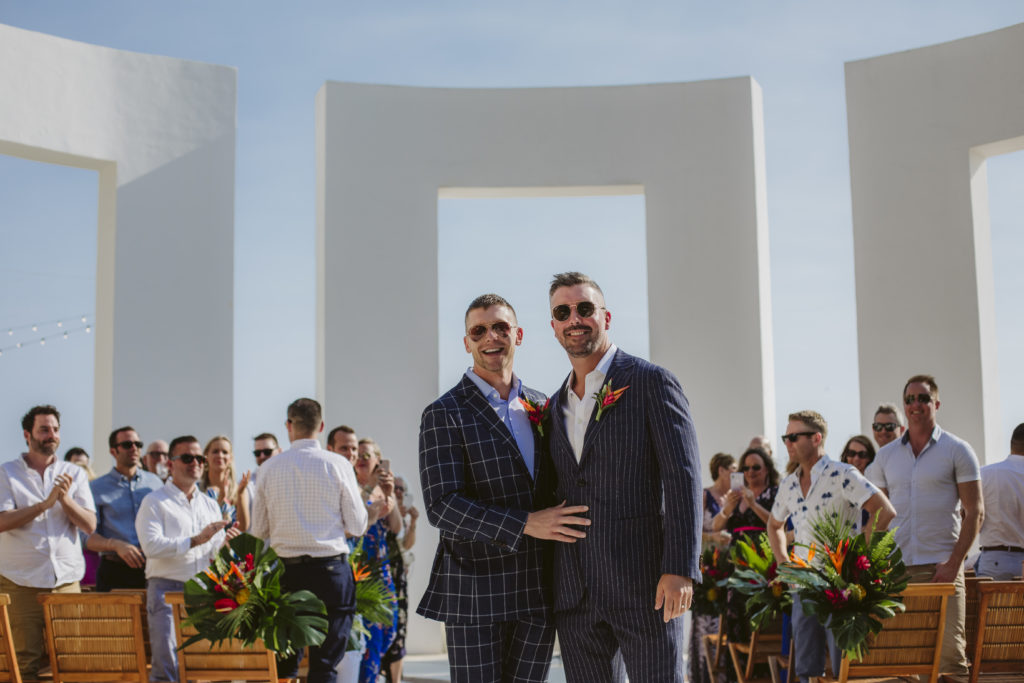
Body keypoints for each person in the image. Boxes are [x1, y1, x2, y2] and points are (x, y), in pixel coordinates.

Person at [419, 293, 586, 683]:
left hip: (538, 590)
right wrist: (526, 523)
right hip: (474, 591)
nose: (490, 337)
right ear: (467, 343)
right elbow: (442, 506)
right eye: (479, 330)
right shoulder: (444, 413)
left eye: (500, 327)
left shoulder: (545, 405)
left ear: (519, 334)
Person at [545, 272, 702, 683]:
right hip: (575, 592)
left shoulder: (651, 381)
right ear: (554, 326)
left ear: (605, 316)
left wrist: (680, 568)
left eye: (584, 308)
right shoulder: (552, 405)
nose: (574, 319)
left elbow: (682, 478)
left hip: (647, 585)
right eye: (563, 312)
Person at [866, 374, 981, 677]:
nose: (916, 404)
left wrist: (955, 562)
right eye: (910, 399)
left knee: (950, 659)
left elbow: (975, 511)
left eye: (923, 398)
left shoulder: (958, 449)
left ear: (936, 403)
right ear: (904, 406)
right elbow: (877, 518)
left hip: (942, 569)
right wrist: (871, 564)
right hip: (896, 570)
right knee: (902, 661)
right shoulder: (885, 457)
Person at [768, 410, 895, 683]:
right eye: (785, 437)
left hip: (839, 586)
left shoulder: (842, 474)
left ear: (816, 438)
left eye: (793, 436)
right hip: (802, 586)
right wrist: (783, 566)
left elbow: (884, 511)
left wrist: (860, 560)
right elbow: (774, 525)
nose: (787, 443)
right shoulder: (789, 484)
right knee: (806, 669)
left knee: (843, 669)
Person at [250, 398, 368, 683]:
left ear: (289, 426)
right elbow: (357, 524)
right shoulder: (339, 465)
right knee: (325, 663)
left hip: (288, 572)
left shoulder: (268, 469)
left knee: (287, 660)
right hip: (331, 572)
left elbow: (259, 531)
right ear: (321, 426)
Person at [0, 405, 97, 681]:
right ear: (27, 435)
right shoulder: (6, 473)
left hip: (65, 580)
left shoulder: (74, 473)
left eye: (55, 429)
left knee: (72, 660)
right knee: (23, 661)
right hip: (19, 581)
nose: (51, 435)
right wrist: (44, 505)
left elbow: (90, 525)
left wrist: (65, 501)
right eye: (43, 429)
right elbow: (2, 522)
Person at [136, 435, 235, 683]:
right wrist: (195, 540)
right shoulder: (154, 501)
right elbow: (151, 547)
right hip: (166, 588)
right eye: (187, 458)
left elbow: (213, 554)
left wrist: (226, 544)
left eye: (199, 458)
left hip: (202, 590)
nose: (196, 463)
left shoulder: (210, 505)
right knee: (166, 667)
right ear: (170, 465)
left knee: (196, 667)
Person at [712, 447, 779, 651]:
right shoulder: (736, 495)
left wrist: (753, 504)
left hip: (764, 561)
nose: (750, 472)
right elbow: (716, 526)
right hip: (737, 564)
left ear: (767, 469)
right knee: (736, 613)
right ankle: (739, 672)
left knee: (761, 614)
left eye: (756, 467)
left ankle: (762, 670)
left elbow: (777, 524)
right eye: (746, 468)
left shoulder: (775, 492)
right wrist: (727, 509)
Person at [87, 426, 164, 591]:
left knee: (156, 618)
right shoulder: (95, 488)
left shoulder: (156, 483)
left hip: (154, 568)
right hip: (115, 571)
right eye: (128, 444)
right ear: (113, 451)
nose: (134, 448)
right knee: (113, 618)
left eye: (138, 444)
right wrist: (116, 545)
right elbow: (86, 537)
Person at [352, 437, 400, 683]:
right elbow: (356, 520)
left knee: (387, 629)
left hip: (380, 569)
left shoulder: (383, 489)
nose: (360, 460)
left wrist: (390, 497)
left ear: (377, 461)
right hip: (358, 569)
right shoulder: (351, 486)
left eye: (366, 456)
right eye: (357, 455)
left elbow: (396, 528)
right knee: (366, 636)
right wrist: (370, 486)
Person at [688, 452, 735, 683]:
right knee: (705, 626)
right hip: (709, 571)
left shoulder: (736, 498)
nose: (737, 474)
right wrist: (714, 538)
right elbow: (694, 533)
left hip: (729, 571)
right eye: (733, 469)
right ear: (721, 470)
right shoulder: (706, 495)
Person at [974, 422, 1024, 580]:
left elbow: (968, 515)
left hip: (993, 559)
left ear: (1011, 445)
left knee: (990, 605)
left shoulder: (985, 474)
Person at [382, 474, 418, 683]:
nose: (397, 491)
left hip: (398, 581)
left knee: (399, 630)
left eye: (401, 489)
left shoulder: (403, 517)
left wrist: (412, 521)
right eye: (394, 487)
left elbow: (407, 544)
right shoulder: (381, 511)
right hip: (379, 578)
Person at [200, 435, 250, 531]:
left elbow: (242, 528)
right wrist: (221, 497)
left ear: (230, 458)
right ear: (206, 456)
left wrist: (240, 494)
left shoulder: (239, 490)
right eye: (215, 451)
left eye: (225, 452)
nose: (220, 455)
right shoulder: (197, 489)